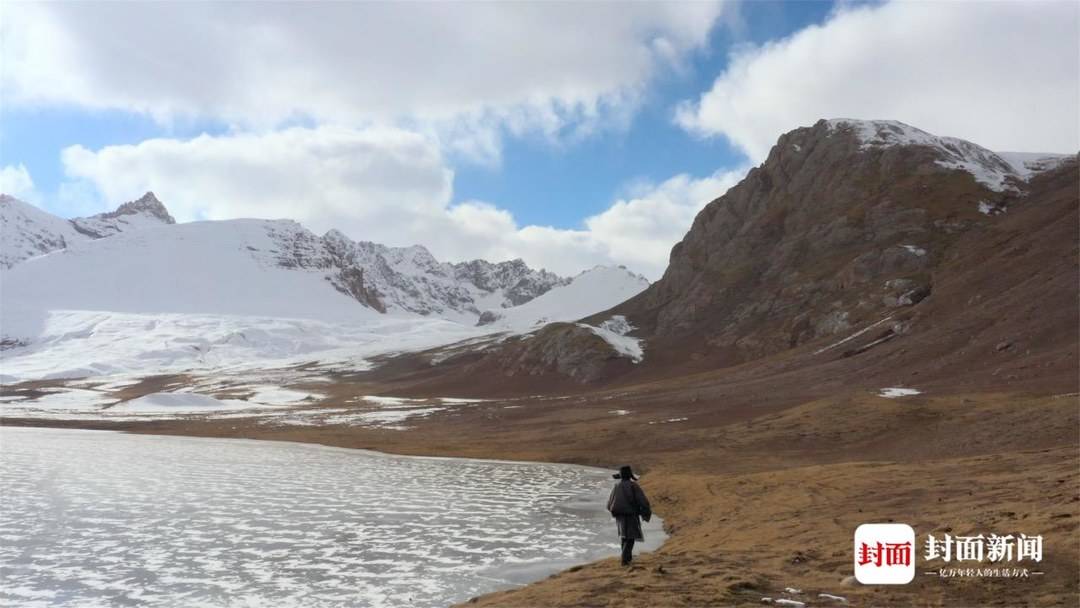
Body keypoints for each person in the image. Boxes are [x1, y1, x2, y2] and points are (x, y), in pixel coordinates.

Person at [606, 464, 652, 567]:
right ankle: (625, 561)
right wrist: (645, 512)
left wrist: (615, 512)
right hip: (631, 515)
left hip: (619, 516)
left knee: (624, 537)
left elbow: (609, 504)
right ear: (629, 475)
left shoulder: (617, 486)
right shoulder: (633, 485)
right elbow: (643, 501)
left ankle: (627, 559)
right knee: (630, 538)